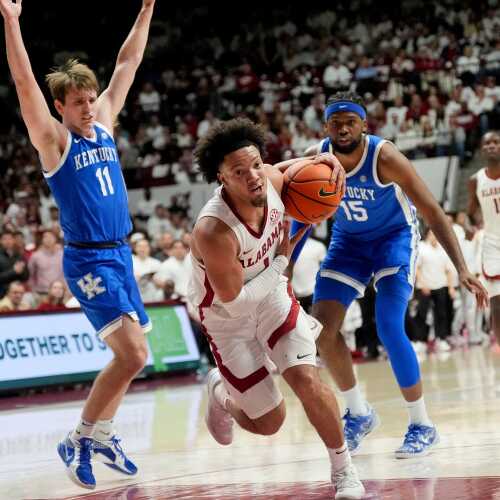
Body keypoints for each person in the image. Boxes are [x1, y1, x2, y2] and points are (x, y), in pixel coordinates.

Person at [1, 0, 156, 489]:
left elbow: (128, 61)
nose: (89, 107)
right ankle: (80, 438)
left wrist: (147, 7)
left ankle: (103, 433)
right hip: (89, 258)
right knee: (132, 356)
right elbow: (24, 83)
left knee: (136, 358)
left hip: (120, 253)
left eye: (91, 98)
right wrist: (12, 22)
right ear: (60, 108)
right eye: (78, 102)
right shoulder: (54, 141)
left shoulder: (104, 121)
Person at [289, 91, 488, 458]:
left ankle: (422, 425)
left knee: (388, 326)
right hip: (348, 243)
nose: (343, 128)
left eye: (351, 122)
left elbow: (432, 210)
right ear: (326, 126)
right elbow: (300, 218)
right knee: (323, 330)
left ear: (364, 124)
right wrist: (283, 266)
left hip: (393, 240)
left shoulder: (385, 157)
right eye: (336, 122)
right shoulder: (317, 159)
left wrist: (461, 267)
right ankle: (359, 413)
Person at [187, 118, 365, 499]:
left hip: (272, 298)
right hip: (227, 317)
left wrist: (325, 160)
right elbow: (236, 304)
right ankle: (220, 391)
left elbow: (290, 168)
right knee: (270, 422)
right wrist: (282, 262)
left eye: (255, 164)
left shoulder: (268, 178)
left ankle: (343, 470)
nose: (253, 176)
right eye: (239, 172)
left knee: (306, 380)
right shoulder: (213, 231)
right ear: (221, 177)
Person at [468, 131, 500, 348]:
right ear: (481, 150)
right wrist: (470, 227)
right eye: (487, 143)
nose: (491, 146)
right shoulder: (475, 180)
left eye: (496, 142)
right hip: (492, 245)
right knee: (497, 303)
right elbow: (470, 213)